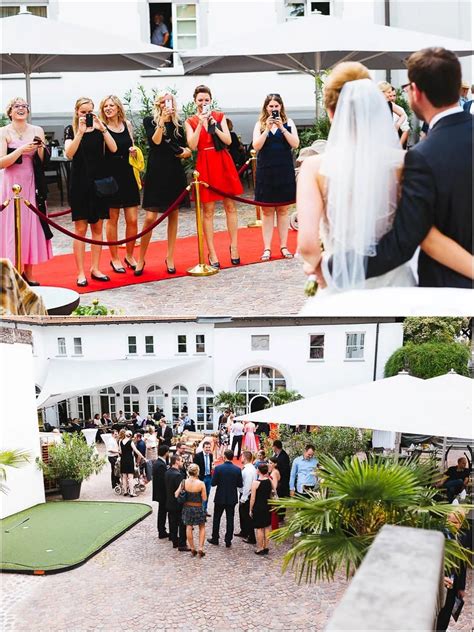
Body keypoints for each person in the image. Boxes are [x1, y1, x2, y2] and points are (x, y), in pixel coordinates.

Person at [297, 58, 473, 298]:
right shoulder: (403, 163)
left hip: (341, 286)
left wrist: (317, 267)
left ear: (331, 113)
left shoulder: (314, 168)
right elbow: (422, 233)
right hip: (396, 284)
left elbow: (307, 245)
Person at [185, 85, 243, 269]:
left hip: (222, 160)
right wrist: (201, 123)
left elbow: (228, 140)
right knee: (208, 210)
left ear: (211, 100)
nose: (203, 103)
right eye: (200, 100)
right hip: (205, 162)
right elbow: (192, 145)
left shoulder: (219, 116)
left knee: (230, 206)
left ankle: (234, 246)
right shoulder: (191, 121)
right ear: (195, 101)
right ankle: (212, 251)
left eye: (206, 100)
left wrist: (213, 125)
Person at [64, 97, 117, 287]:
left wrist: (102, 128)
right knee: (80, 229)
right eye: (83, 112)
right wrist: (79, 133)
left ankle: (95, 268)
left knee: (97, 228)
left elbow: (113, 148)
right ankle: (80, 272)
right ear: (77, 112)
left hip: (98, 183)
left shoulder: (100, 128)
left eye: (90, 111)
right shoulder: (71, 130)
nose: (86, 115)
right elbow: (69, 154)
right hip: (79, 183)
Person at [0, 97, 53, 286]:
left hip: (32, 182)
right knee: (11, 228)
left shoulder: (37, 130)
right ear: (10, 112)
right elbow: (1, 162)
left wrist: (40, 148)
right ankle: (12, 271)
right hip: (10, 184)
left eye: (24, 106)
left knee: (30, 226)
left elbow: (42, 159)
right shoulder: (3, 132)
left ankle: (28, 272)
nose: (21, 109)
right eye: (17, 106)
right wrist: (21, 150)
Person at [137, 92, 191, 276]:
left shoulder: (178, 125)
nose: (166, 104)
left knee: (173, 215)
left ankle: (170, 256)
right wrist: (162, 120)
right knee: (150, 218)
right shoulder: (149, 121)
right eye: (163, 101)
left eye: (169, 101)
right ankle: (141, 257)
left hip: (174, 171)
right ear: (158, 103)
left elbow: (187, 148)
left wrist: (186, 152)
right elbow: (156, 141)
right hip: (156, 170)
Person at [252, 93, 299, 262]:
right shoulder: (259, 124)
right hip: (266, 171)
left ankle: (284, 245)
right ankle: (267, 247)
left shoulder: (289, 122)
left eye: (276, 106)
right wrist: (266, 130)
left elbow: (295, 144)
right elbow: (256, 146)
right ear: (266, 107)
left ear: (281, 107)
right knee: (267, 210)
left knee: (283, 209)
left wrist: (282, 128)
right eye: (271, 106)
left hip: (283, 170)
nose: (273, 109)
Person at [99, 95, 140, 273]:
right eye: (105, 106)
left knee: (132, 219)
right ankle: (114, 258)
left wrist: (133, 151)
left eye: (111, 105)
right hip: (110, 174)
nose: (108, 108)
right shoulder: (101, 127)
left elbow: (132, 145)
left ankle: (129, 255)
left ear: (118, 107)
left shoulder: (127, 124)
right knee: (113, 218)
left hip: (128, 172)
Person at [208, 449, 243, 548]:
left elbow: (213, 483)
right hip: (231, 497)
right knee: (230, 519)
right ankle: (228, 540)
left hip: (220, 496)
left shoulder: (219, 468)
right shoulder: (237, 469)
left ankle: (215, 538)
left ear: (225, 456)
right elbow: (239, 484)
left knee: (217, 518)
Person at [181, 463, 207, 557]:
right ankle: (200, 547)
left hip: (187, 507)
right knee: (202, 527)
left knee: (188, 527)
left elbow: (177, 493)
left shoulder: (184, 482)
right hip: (198, 507)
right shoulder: (201, 483)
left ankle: (192, 548)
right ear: (197, 472)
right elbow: (204, 498)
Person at [165, 455, 189, 551]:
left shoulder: (167, 472)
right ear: (177, 461)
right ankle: (182, 544)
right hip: (177, 504)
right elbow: (181, 491)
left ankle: (174, 541)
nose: (182, 463)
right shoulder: (178, 475)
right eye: (181, 461)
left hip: (169, 502)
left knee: (172, 523)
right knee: (182, 524)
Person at [249, 463, 273, 555]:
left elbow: (253, 498)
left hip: (258, 506)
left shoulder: (256, 483)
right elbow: (273, 492)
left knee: (259, 528)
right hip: (267, 505)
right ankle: (266, 546)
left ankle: (260, 547)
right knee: (267, 527)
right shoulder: (269, 481)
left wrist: (250, 509)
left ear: (258, 471)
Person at [236, 450, 257, 544]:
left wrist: (243, 498)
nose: (241, 458)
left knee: (246, 516)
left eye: (242, 457)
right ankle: (244, 531)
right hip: (245, 493)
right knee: (242, 514)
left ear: (244, 457)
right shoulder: (249, 468)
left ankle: (251, 536)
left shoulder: (248, 470)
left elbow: (247, 485)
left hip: (246, 495)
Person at [118, 429, 144, 496]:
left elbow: (120, 451)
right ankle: (131, 492)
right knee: (130, 477)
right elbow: (136, 451)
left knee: (124, 476)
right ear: (130, 435)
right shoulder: (130, 442)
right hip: (129, 459)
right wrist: (143, 457)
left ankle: (125, 491)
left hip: (123, 459)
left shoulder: (120, 441)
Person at [152, 444, 170, 538]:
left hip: (160, 492)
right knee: (162, 513)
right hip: (162, 493)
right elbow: (163, 480)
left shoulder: (159, 463)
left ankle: (162, 530)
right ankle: (161, 531)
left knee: (162, 512)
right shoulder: (160, 464)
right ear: (165, 453)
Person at [193, 440, 213, 516]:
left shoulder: (211, 455)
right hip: (201, 477)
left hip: (209, 477)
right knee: (199, 495)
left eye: (209, 447)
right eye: (206, 447)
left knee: (207, 494)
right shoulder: (198, 456)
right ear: (203, 448)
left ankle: (204, 510)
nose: (208, 449)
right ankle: (199, 511)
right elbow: (195, 467)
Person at [268, 457, 281, 530]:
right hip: (274, 495)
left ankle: (274, 529)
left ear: (275, 464)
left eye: (271, 463)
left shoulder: (274, 472)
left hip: (274, 495)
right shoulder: (274, 471)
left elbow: (274, 486)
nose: (269, 464)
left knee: (274, 513)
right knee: (274, 513)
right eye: (268, 462)